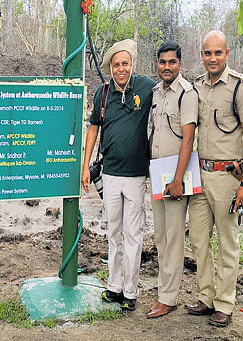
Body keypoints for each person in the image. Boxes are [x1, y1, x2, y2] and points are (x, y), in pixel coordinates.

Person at [185, 30, 243, 327]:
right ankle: (206, 296)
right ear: (201, 56)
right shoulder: (196, 87)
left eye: (217, 53)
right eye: (207, 53)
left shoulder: (241, 87)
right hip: (200, 175)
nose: (212, 58)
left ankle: (224, 303)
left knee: (228, 242)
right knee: (199, 240)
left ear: (227, 54)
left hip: (228, 178)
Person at [81, 39, 156, 311]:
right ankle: (113, 287)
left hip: (136, 175)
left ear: (132, 64)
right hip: (110, 173)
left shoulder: (147, 88)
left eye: (125, 63)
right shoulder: (102, 93)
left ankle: (130, 292)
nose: (121, 68)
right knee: (113, 232)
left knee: (133, 234)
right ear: (110, 67)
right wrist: (85, 165)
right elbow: (93, 129)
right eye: (116, 64)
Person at [147, 41, 197, 319]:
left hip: (176, 175)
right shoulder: (156, 93)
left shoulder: (186, 94)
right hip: (157, 172)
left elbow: (188, 138)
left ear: (180, 64)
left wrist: (177, 179)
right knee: (160, 235)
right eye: (162, 62)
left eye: (172, 62)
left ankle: (168, 297)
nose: (167, 67)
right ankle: (164, 291)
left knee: (174, 237)